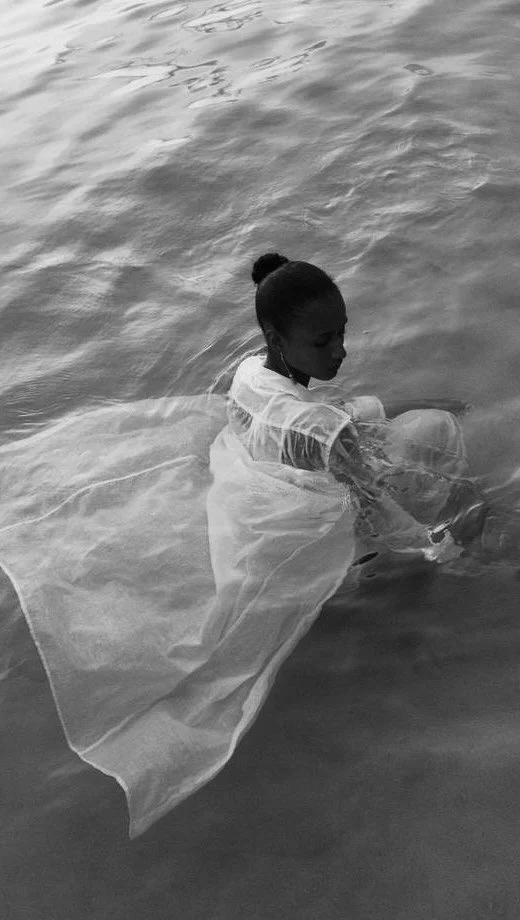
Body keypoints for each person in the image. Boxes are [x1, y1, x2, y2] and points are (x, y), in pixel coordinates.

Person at [0, 251, 483, 839]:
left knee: (411, 429)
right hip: (283, 537)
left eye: (343, 333)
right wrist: (440, 549)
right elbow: (378, 507)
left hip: (237, 508)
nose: (340, 352)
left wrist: (396, 407)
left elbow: (321, 417)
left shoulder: (252, 371)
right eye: (324, 341)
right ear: (278, 338)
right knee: (431, 442)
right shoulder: (323, 432)